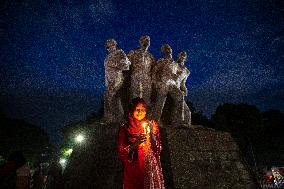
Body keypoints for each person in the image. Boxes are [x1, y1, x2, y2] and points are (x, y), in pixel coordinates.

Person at [118, 97, 165, 189]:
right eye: (137, 110)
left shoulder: (152, 126)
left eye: (143, 110)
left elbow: (158, 149)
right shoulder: (125, 128)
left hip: (150, 166)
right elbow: (121, 152)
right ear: (132, 111)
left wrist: (151, 135)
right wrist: (136, 143)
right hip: (134, 166)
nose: (140, 112)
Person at [151, 44, 184, 124]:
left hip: (172, 84)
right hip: (163, 84)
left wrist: (177, 76)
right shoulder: (161, 61)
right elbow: (154, 72)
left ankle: (178, 121)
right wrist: (156, 83)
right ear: (163, 51)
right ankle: (155, 121)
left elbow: (180, 73)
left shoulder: (175, 63)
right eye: (166, 49)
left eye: (169, 48)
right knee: (160, 102)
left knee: (180, 96)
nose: (168, 50)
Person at [104, 39, 131, 122]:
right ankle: (112, 118)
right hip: (109, 80)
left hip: (117, 78)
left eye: (110, 46)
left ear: (114, 45)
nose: (109, 48)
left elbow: (126, 65)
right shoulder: (108, 57)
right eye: (107, 47)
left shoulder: (119, 52)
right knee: (111, 97)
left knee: (110, 96)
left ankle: (118, 118)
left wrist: (113, 64)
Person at [127, 36, 155, 106]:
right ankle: (132, 115)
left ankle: (146, 114)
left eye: (148, 41)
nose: (146, 42)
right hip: (136, 76)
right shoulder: (133, 53)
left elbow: (154, 68)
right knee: (135, 97)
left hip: (147, 78)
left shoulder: (151, 56)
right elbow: (126, 64)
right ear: (140, 42)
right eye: (144, 40)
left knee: (147, 97)